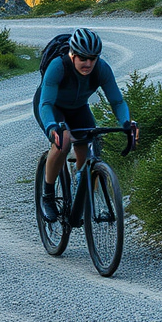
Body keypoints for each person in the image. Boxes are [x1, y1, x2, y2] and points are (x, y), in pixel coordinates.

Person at [32, 27, 137, 221]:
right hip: (51, 107)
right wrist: (52, 127)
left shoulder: (101, 68)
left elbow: (117, 101)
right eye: (83, 58)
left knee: (88, 142)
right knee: (63, 142)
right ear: (73, 55)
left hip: (78, 108)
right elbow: (45, 103)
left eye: (93, 58)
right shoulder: (58, 66)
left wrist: (126, 122)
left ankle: (82, 183)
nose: (88, 63)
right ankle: (47, 197)